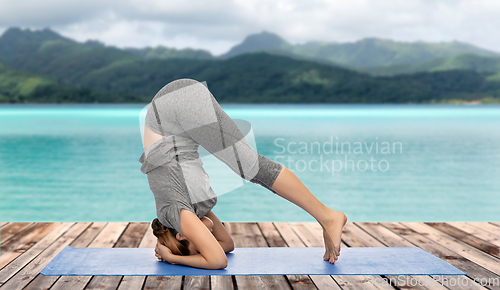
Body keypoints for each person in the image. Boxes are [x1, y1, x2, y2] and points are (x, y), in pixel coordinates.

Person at [139, 78, 347, 270]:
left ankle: (328, 217)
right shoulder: (190, 211)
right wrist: (179, 252)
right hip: (172, 110)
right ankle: (327, 217)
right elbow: (227, 246)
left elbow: (217, 260)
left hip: (174, 105)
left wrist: (172, 258)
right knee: (249, 166)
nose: (207, 238)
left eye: (198, 248)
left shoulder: (179, 215)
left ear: (182, 235)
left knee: (250, 166)